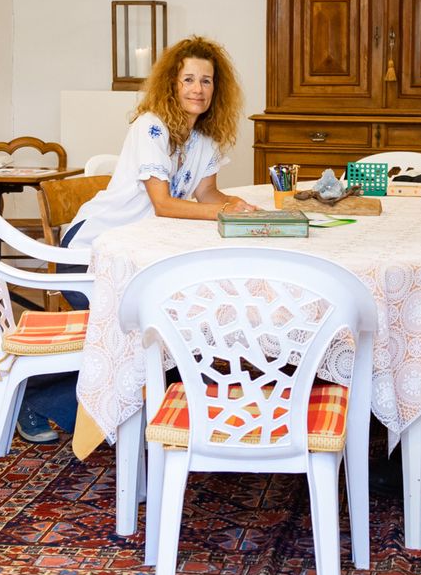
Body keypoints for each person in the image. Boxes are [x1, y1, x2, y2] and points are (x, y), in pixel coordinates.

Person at [14, 35, 258, 444]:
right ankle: (36, 401)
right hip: (92, 250)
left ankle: (147, 412)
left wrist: (243, 207)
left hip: (141, 254)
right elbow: (163, 204)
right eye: (189, 80)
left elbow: (207, 195)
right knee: (134, 336)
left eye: (207, 81)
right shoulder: (152, 127)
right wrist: (222, 212)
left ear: (217, 88)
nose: (198, 89)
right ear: (172, 84)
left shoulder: (204, 138)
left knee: (167, 331)